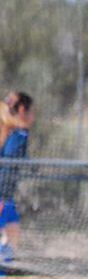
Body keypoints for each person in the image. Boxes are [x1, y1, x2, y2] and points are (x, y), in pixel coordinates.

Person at [0, 92, 32, 262]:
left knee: (13, 231)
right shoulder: (16, 133)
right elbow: (9, 162)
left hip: (7, 194)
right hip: (2, 192)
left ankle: (5, 267)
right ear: (21, 109)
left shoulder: (15, 132)